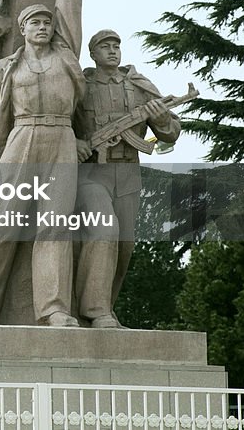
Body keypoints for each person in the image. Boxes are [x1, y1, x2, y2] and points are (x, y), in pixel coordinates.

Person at [0, 0, 86, 327]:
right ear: (23, 28)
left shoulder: (66, 59)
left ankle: (54, 309)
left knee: (55, 225)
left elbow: (70, 12)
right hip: (21, 138)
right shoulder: (7, 67)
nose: (43, 27)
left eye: (47, 22)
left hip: (61, 136)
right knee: (2, 223)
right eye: (35, 22)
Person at [74, 29, 181, 328]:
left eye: (116, 46)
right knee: (104, 230)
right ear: (93, 54)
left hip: (128, 173)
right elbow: (60, 121)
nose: (112, 51)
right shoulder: (81, 86)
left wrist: (159, 118)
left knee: (124, 245)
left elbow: (170, 133)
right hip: (92, 173)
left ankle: (106, 305)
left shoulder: (138, 86)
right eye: (104, 47)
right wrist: (76, 143)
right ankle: (96, 311)